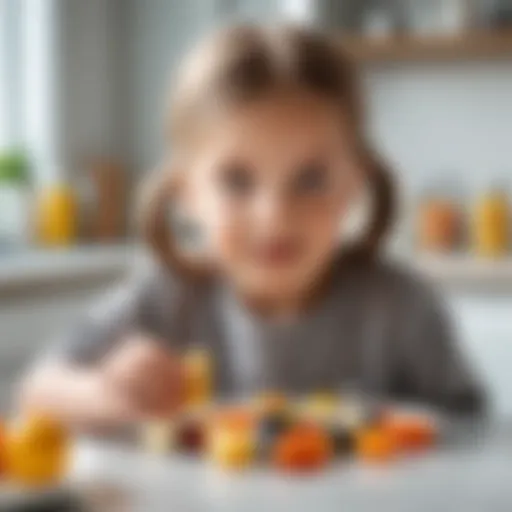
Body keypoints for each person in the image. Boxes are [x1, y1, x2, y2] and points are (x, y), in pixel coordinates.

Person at [20, 25, 484, 427]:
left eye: (311, 180)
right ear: (187, 195)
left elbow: (475, 434)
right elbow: (36, 393)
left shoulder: (402, 309)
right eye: (237, 182)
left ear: (353, 187)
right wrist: (108, 393)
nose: (275, 215)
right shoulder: (163, 300)